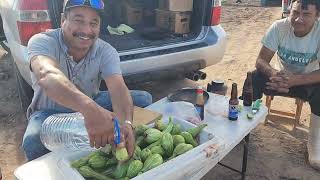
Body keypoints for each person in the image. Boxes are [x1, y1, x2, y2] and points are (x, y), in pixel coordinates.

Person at [22, 0, 152, 161]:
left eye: (93, 23)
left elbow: (118, 87)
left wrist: (126, 124)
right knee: (32, 141)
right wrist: (91, 111)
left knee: (142, 99)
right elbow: (47, 75)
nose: (86, 30)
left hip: (91, 100)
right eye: (79, 20)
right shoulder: (43, 41)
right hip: (49, 112)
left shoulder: (106, 51)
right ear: (63, 20)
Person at [248, 0, 320, 169]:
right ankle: (245, 128)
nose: (298, 19)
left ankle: (315, 144)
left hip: (305, 81)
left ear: (317, 16)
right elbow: (261, 60)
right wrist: (274, 74)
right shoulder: (279, 27)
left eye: (306, 14)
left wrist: (295, 80)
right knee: (254, 77)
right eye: (295, 12)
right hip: (279, 79)